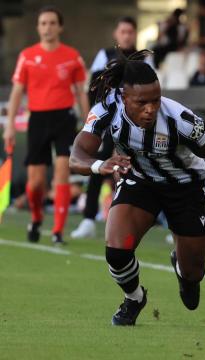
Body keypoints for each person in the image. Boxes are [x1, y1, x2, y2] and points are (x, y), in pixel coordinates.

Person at [69, 50, 205, 326]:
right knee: (116, 250)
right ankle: (134, 298)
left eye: (156, 100)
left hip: (185, 187)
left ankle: (184, 269)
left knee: (193, 274)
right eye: (142, 102)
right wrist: (98, 165)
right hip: (141, 182)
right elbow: (77, 155)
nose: (151, 108)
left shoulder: (180, 119)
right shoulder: (106, 109)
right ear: (124, 97)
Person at [3, 6, 89, 245]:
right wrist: (9, 125)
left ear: (60, 27)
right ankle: (37, 217)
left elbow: (80, 92)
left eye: (52, 23)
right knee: (36, 182)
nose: (47, 27)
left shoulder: (72, 56)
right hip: (38, 120)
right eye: (43, 23)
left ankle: (57, 231)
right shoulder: (27, 56)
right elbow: (17, 92)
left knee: (62, 170)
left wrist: (89, 122)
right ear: (38, 27)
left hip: (64, 119)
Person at [72, 16, 146, 239]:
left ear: (135, 34)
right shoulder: (105, 55)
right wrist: (94, 119)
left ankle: (148, 218)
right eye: (122, 31)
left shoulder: (143, 58)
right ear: (116, 33)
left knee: (145, 169)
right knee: (97, 165)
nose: (126, 35)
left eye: (130, 32)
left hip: (135, 125)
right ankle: (88, 218)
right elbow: (93, 88)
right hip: (109, 122)